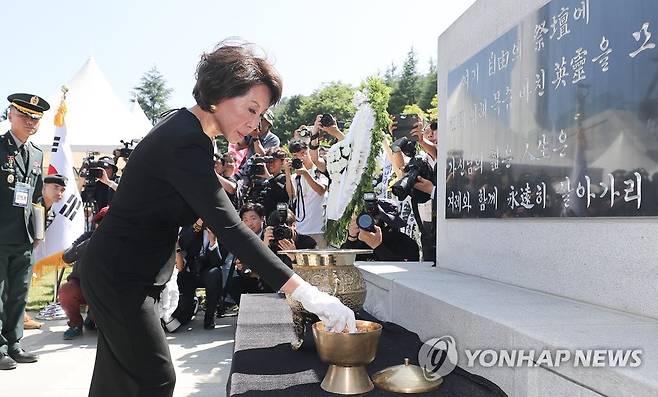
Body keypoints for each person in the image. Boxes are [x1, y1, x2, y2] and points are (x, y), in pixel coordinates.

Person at [79, 40, 355, 396]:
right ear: (219, 94)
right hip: (120, 276)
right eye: (251, 109)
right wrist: (307, 293)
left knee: (116, 381)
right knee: (154, 378)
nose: (256, 125)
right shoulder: (185, 139)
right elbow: (231, 228)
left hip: (123, 272)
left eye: (261, 115)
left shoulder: (189, 132)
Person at [0, 93, 49, 370]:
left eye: (35, 118)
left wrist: (38, 233)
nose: (30, 122)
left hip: (24, 237)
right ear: (10, 115)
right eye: (24, 115)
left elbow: (37, 198)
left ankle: (14, 343)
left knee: (19, 292)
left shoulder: (36, 153)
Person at [24, 173, 68, 330]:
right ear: (43, 187)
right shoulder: (31, 205)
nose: (59, 193)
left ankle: (20, 317)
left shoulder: (51, 212)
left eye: (62, 189)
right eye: (55, 187)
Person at [58, 206, 109, 340]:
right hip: (82, 284)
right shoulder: (87, 237)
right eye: (100, 222)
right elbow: (67, 257)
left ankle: (94, 317)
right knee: (66, 291)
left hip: (108, 288)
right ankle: (75, 324)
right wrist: (90, 242)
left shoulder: (121, 241)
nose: (102, 226)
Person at [172, 219, 224, 330]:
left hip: (206, 270)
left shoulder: (218, 228)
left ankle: (209, 317)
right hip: (187, 272)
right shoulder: (189, 225)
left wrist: (212, 243)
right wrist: (198, 224)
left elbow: (218, 262)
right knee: (183, 316)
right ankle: (192, 305)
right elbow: (182, 243)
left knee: (215, 273)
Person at [289, 140, 329, 248]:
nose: (300, 158)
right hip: (300, 228)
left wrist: (306, 173)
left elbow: (321, 190)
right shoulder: (295, 176)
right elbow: (291, 195)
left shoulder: (319, 170)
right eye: (295, 155)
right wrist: (287, 172)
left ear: (308, 152)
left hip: (318, 228)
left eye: (302, 153)